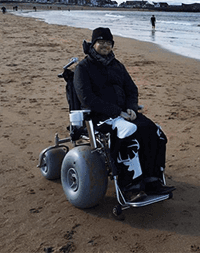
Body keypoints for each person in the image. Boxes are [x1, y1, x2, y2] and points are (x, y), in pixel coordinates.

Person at [73, 27, 173, 202]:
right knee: (128, 135)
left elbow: (131, 89)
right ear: (93, 44)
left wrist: (131, 108)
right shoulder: (83, 68)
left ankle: (152, 180)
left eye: (108, 43)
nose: (105, 46)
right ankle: (131, 187)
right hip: (100, 116)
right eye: (101, 42)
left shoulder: (117, 65)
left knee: (155, 133)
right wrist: (116, 112)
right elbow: (87, 98)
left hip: (125, 113)